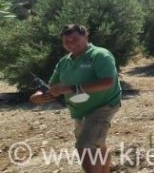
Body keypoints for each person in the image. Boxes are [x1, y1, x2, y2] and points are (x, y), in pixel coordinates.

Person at [30, 24, 122, 173]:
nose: (71, 44)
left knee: (85, 146)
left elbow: (107, 82)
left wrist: (70, 88)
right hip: (80, 112)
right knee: (96, 143)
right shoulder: (64, 62)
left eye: (75, 39)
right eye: (66, 41)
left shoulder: (100, 55)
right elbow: (51, 86)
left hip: (104, 106)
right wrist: (38, 96)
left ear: (86, 36)